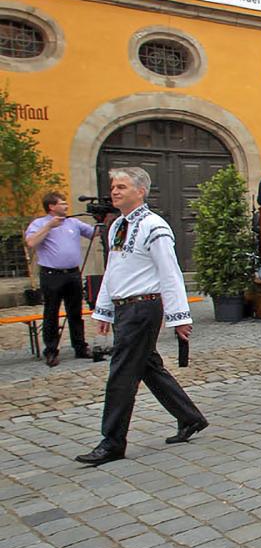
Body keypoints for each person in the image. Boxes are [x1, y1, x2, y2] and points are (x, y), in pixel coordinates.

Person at [75, 168, 207, 465]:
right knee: (148, 367)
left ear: (141, 190)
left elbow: (169, 272)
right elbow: (113, 270)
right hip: (125, 307)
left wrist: (179, 316)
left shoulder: (153, 226)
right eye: (113, 186)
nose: (115, 191)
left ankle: (112, 441)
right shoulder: (116, 226)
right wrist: (104, 310)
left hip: (143, 307)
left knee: (121, 373)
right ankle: (190, 417)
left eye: (122, 186)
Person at [25, 192, 97, 367]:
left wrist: (104, 219)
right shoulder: (40, 223)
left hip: (72, 274)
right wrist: (49, 226)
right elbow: (31, 242)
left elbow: (94, 234)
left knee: (76, 312)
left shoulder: (73, 222)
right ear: (51, 206)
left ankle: (80, 346)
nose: (66, 206)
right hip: (52, 275)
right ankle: (51, 350)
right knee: (51, 312)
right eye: (62, 203)